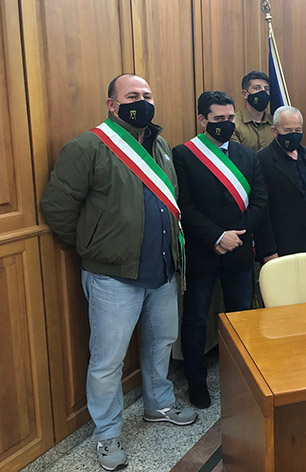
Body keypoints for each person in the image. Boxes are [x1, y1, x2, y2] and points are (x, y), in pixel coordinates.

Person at [41, 73, 196, 471]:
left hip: (162, 269)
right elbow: (57, 208)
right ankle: (107, 433)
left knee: (161, 343)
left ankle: (158, 404)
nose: (142, 101)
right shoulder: (87, 147)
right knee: (108, 360)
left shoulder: (160, 145)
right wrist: (94, 246)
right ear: (112, 104)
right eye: (132, 96)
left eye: (147, 95)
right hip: (113, 276)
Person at [173, 91, 268, 409]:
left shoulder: (248, 156)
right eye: (218, 119)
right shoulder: (184, 154)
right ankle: (196, 380)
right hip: (203, 251)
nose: (225, 124)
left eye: (229, 118)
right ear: (202, 120)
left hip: (239, 250)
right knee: (196, 318)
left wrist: (236, 236)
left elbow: (260, 202)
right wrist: (216, 236)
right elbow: (184, 205)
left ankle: (240, 377)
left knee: (240, 317)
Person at [256, 106, 306, 259]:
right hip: (283, 244)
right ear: (274, 131)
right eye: (288, 130)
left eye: (298, 130)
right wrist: (268, 250)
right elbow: (261, 210)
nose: (294, 135)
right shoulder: (262, 159)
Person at [232, 70, 273, 151]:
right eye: (257, 88)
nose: (263, 92)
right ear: (245, 94)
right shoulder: (234, 123)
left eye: (266, 89)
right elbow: (237, 154)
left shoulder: (275, 123)